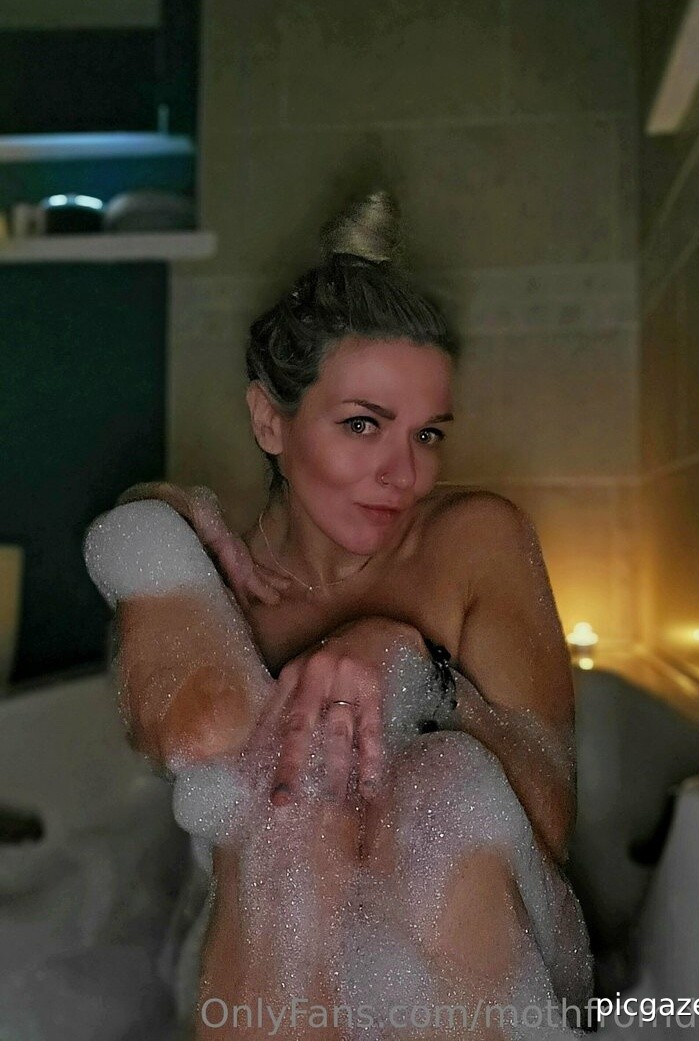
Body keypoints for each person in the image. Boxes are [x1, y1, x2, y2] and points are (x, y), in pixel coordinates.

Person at [84, 189, 593, 1040]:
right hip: (270, 977)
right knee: (293, 814)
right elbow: (189, 730)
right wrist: (150, 520)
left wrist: (413, 662)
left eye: (426, 434)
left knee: (441, 783)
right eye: (363, 425)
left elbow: (546, 820)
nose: (405, 474)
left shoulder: (475, 541)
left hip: (480, 952)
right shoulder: (223, 589)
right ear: (269, 421)